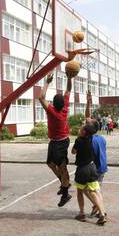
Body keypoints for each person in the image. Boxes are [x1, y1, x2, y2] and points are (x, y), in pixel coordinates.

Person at [39, 72, 72, 207]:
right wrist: (69, 77)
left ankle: (65, 194)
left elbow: (41, 97)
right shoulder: (64, 108)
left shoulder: (53, 112)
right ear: (63, 103)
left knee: (62, 168)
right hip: (55, 142)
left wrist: (47, 82)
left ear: (53, 103)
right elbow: (68, 90)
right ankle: (65, 183)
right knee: (51, 163)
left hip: (61, 143)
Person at [71, 122, 107, 225]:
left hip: (82, 169)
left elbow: (73, 152)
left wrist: (79, 137)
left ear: (84, 132)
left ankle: (82, 213)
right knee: (94, 191)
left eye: (81, 129)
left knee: (80, 191)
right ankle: (102, 214)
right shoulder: (93, 138)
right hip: (92, 167)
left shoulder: (79, 140)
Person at [85, 91, 108, 218]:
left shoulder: (88, 140)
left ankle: (100, 210)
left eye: (86, 124)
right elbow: (88, 117)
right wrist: (89, 102)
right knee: (96, 190)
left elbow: (87, 118)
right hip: (103, 168)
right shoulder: (102, 138)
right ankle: (97, 209)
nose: (85, 123)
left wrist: (88, 103)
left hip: (95, 169)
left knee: (89, 190)